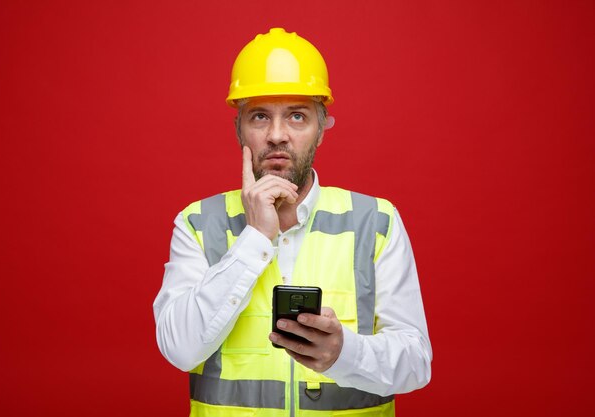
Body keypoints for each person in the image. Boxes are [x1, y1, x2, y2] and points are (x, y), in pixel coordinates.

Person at [153, 27, 432, 416]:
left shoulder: (376, 222)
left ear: (320, 129)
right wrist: (255, 238)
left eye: (297, 116)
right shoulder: (198, 224)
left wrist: (343, 353)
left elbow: (416, 365)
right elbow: (179, 349)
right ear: (239, 130)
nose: (277, 135)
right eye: (260, 116)